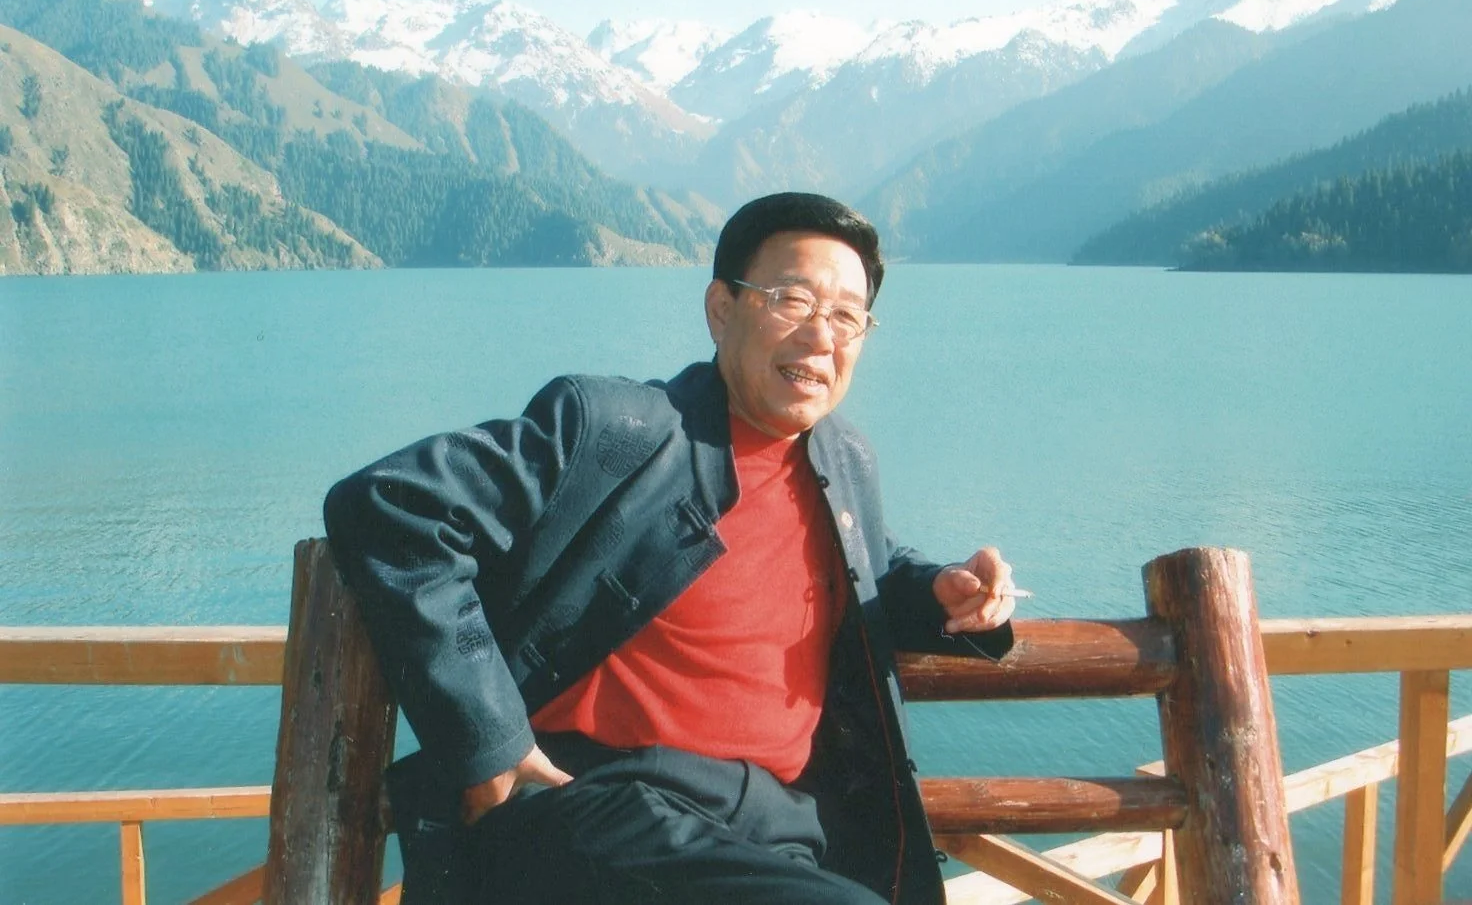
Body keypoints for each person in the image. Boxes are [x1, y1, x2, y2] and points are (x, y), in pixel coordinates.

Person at [324, 192, 1020, 905]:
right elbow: (392, 506)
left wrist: (940, 589)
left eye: (848, 316)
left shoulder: (843, 459)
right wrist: (489, 743)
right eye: (793, 299)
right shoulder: (615, 432)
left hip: (777, 823)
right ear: (721, 309)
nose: (822, 337)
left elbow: (863, 561)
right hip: (604, 804)